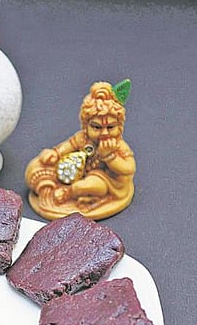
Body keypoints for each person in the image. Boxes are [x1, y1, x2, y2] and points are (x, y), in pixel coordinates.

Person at [25, 80, 136, 220]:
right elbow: (68, 146)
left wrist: (109, 156)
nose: (104, 133)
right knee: (36, 166)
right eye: (96, 127)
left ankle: (68, 193)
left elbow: (129, 168)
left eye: (110, 127)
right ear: (86, 125)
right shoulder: (83, 138)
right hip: (76, 171)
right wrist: (56, 153)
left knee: (92, 185)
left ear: (119, 127)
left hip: (108, 181)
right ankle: (47, 188)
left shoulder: (118, 145)